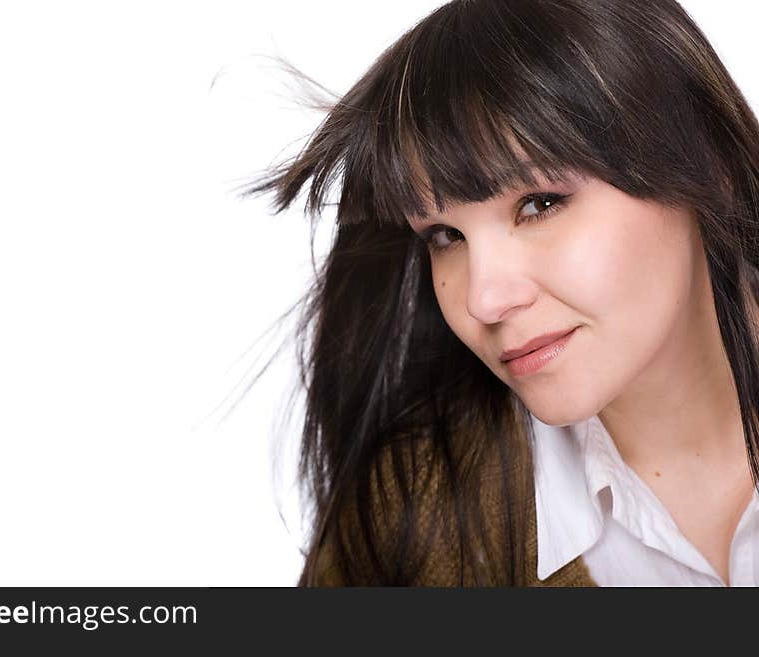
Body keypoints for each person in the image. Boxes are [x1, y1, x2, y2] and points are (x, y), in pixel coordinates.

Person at [243, 0, 759, 586]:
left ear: (707, 162)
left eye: (539, 204)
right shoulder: (409, 517)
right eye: (444, 236)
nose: (483, 301)